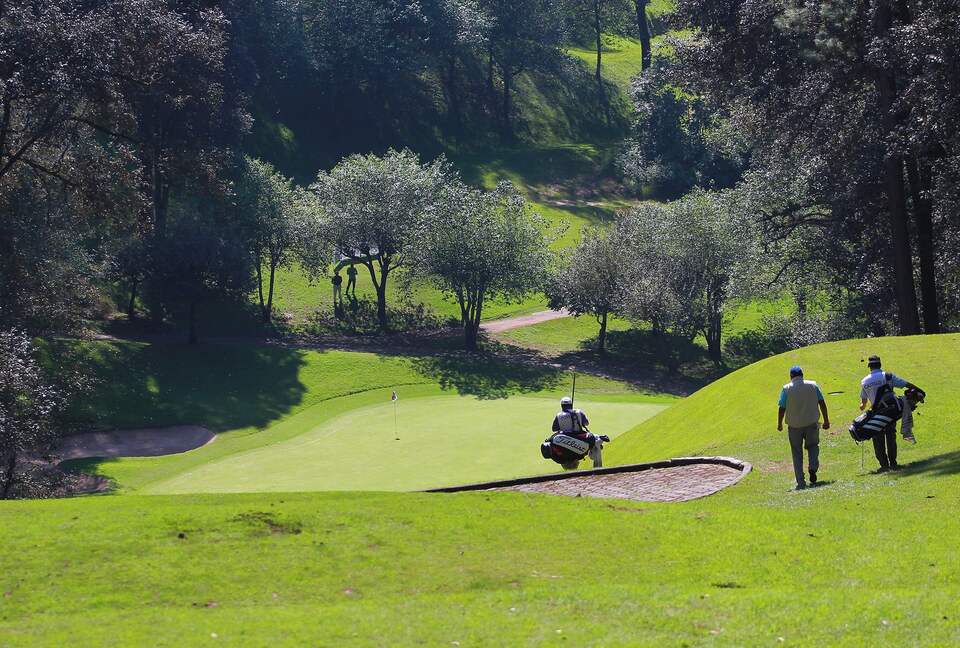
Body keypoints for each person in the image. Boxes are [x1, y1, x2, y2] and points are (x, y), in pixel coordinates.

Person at [859, 355, 923, 471]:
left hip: (876, 414)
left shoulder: (864, 381)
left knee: (878, 439)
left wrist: (862, 407)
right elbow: (905, 384)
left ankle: (884, 465)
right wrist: (920, 390)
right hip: (891, 412)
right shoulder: (888, 376)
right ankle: (893, 463)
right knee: (890, 436)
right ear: (880, 365)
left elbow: (863, 403)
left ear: (870, 366)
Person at [777, 365, 830, 490]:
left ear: (791, 376)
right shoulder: (813, 385)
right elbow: (822, 403)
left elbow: (782, 408)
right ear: (802, 375)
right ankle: (813, 467)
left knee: (796, 453)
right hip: (812, 423)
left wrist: (779, 423)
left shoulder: (786, 389)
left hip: (794, 426)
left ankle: (801, 481)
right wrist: (826, 420)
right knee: (813, 446)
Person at [541, 397, 608, 470]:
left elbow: (554, 429)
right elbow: (586, 423)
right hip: (580, 439)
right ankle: (598, 469)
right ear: (571, 404)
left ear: (562, 406)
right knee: (597, 440)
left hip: (564, 442)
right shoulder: (579, 412)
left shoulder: (559, 415)